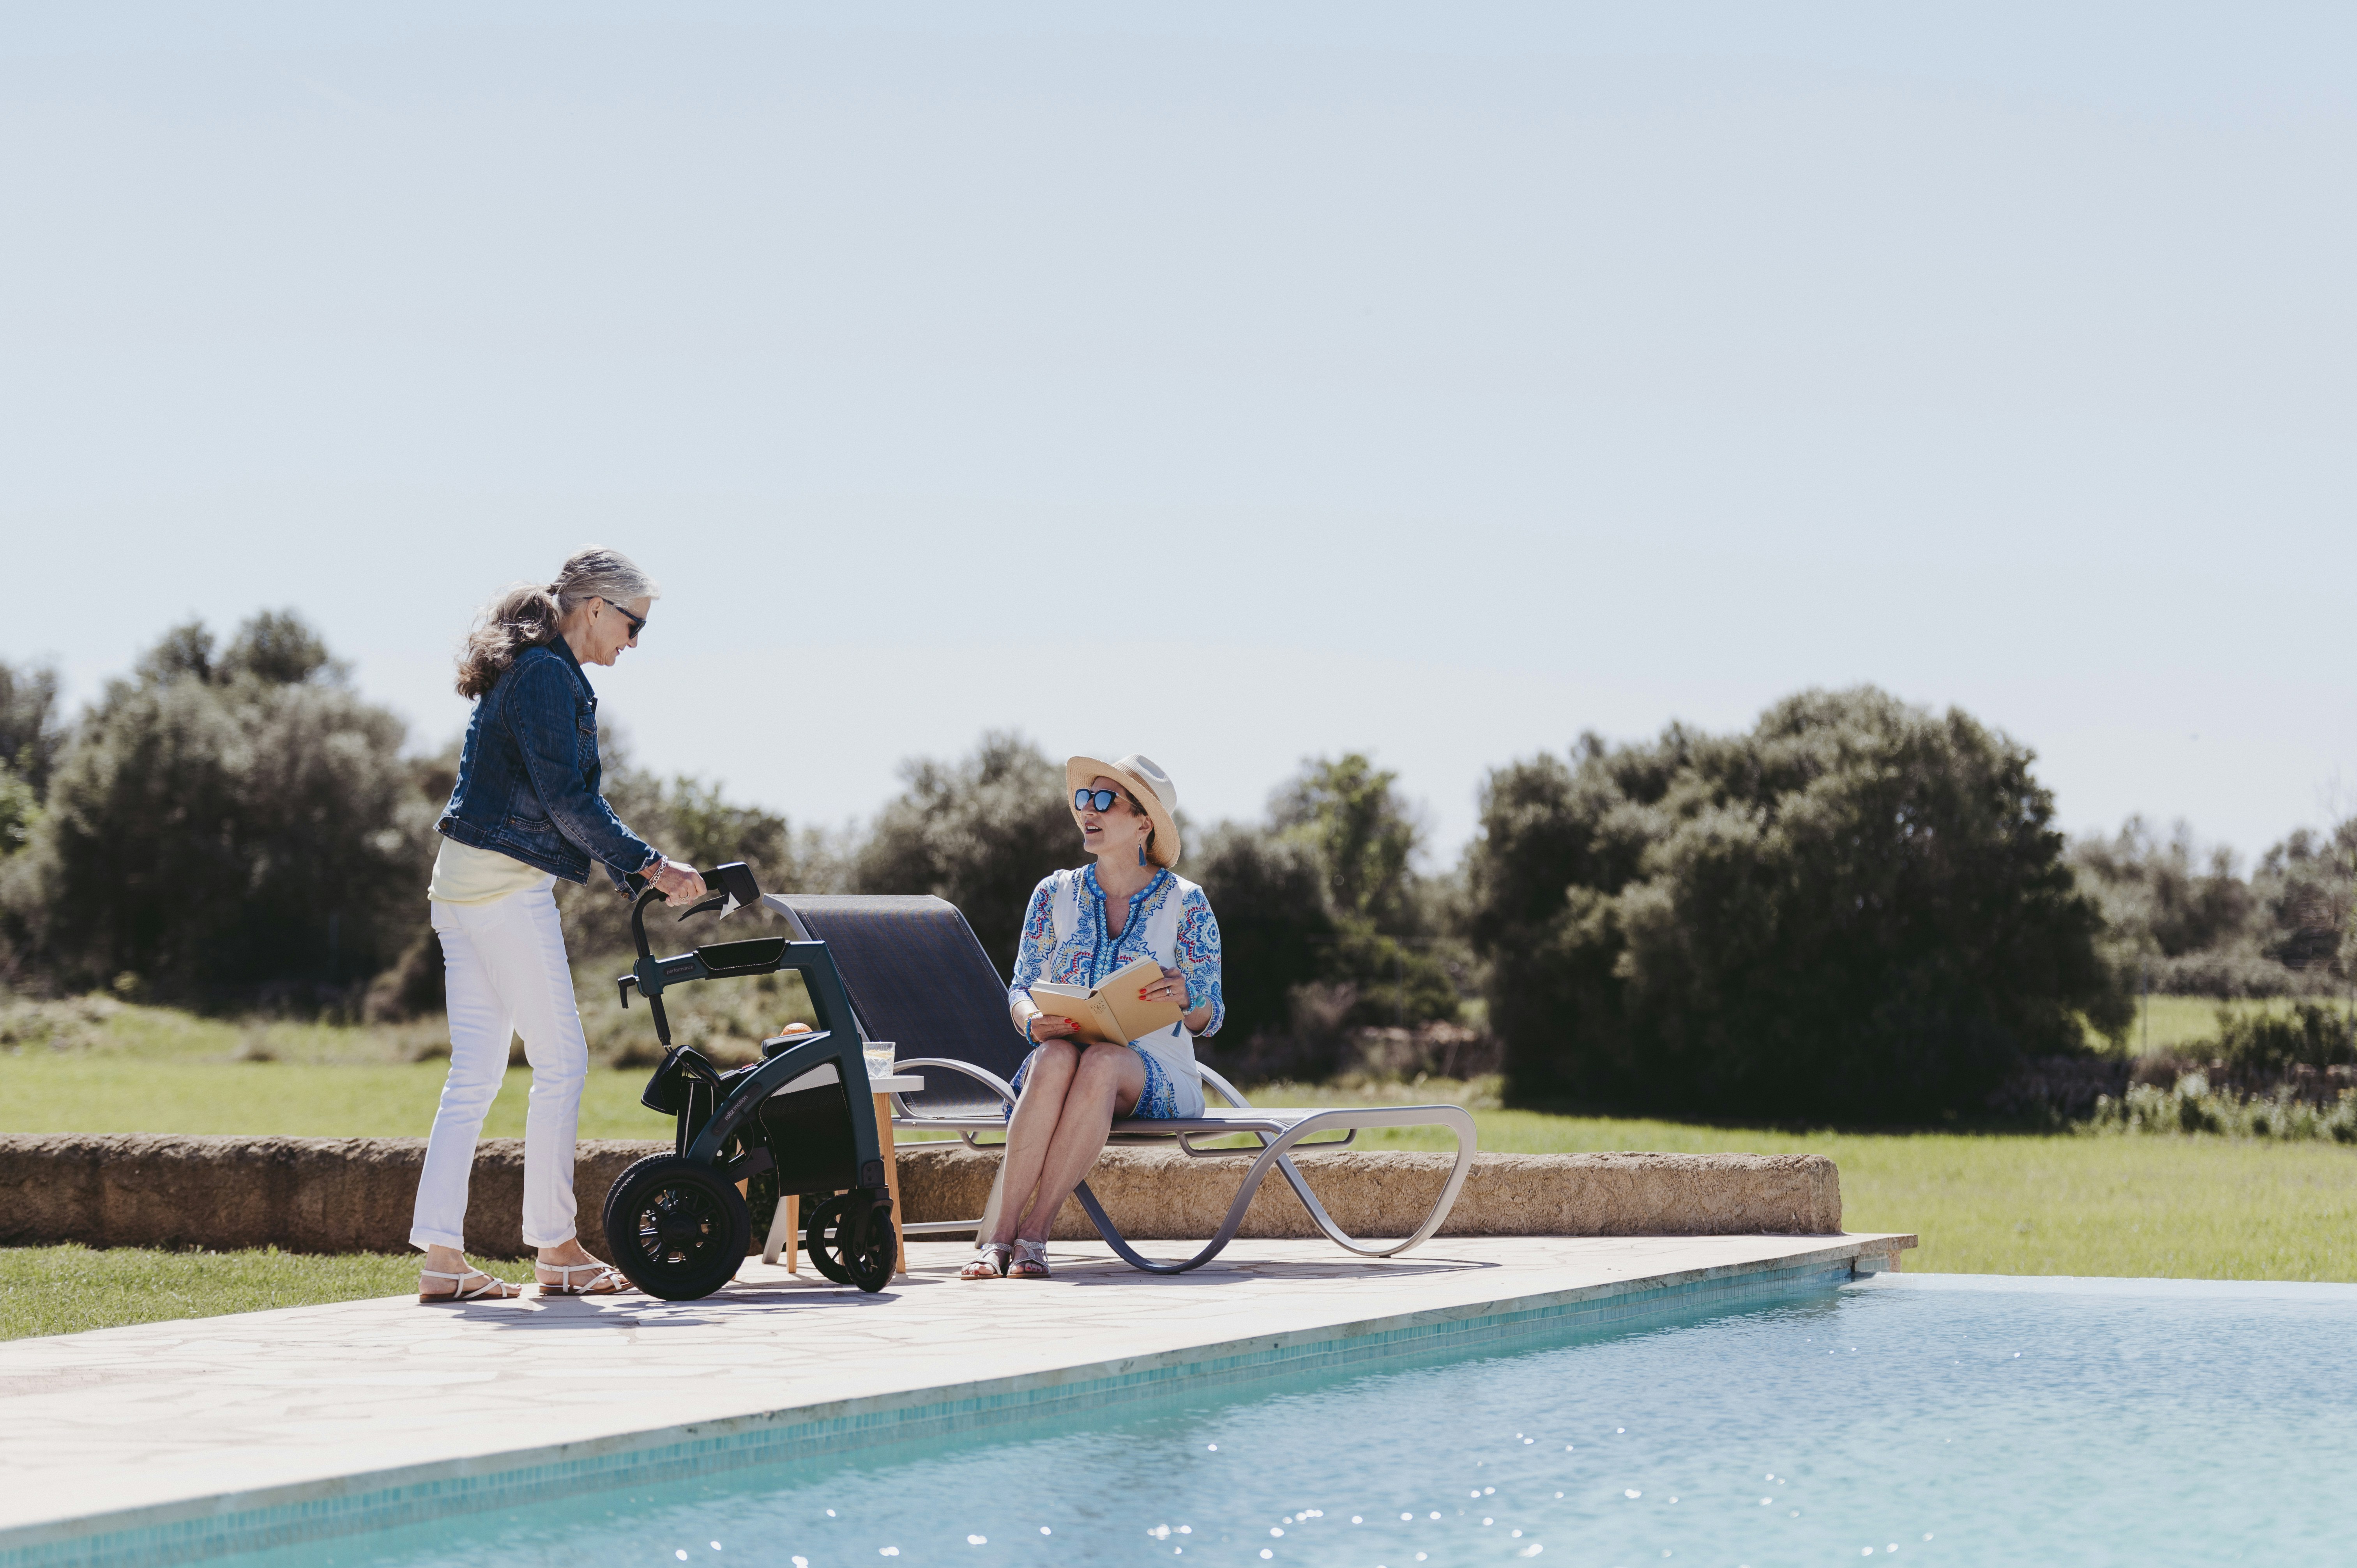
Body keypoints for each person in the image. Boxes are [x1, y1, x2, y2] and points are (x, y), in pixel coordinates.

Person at [410, 547, 707, 1302]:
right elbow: (569, 801)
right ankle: (558, 1249)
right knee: (564, 1063)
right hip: (505, 892)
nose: (634, 643)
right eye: (633, 625)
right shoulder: (547, 674)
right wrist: (652, 865)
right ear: (598, 607)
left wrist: (632, 870)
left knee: (473, 1076)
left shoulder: (533, 668)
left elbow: (559, 804)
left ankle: (442, 1257)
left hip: (460, 889)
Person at [964, 753, 1224, 1280]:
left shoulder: (1187, 902)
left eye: (1107, 801)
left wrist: (1186, 997)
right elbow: (1021, 987)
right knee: (1057, 1054)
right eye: (1085, 799)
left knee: (1103, 1060)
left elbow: (1210, 1017)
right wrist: (1030, 1019)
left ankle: (1035, 1234)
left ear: (1143, 823)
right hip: (1064, 1061)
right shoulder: (1053, 893)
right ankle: (998, 1239)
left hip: (1158, 1074)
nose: (1090, 810)